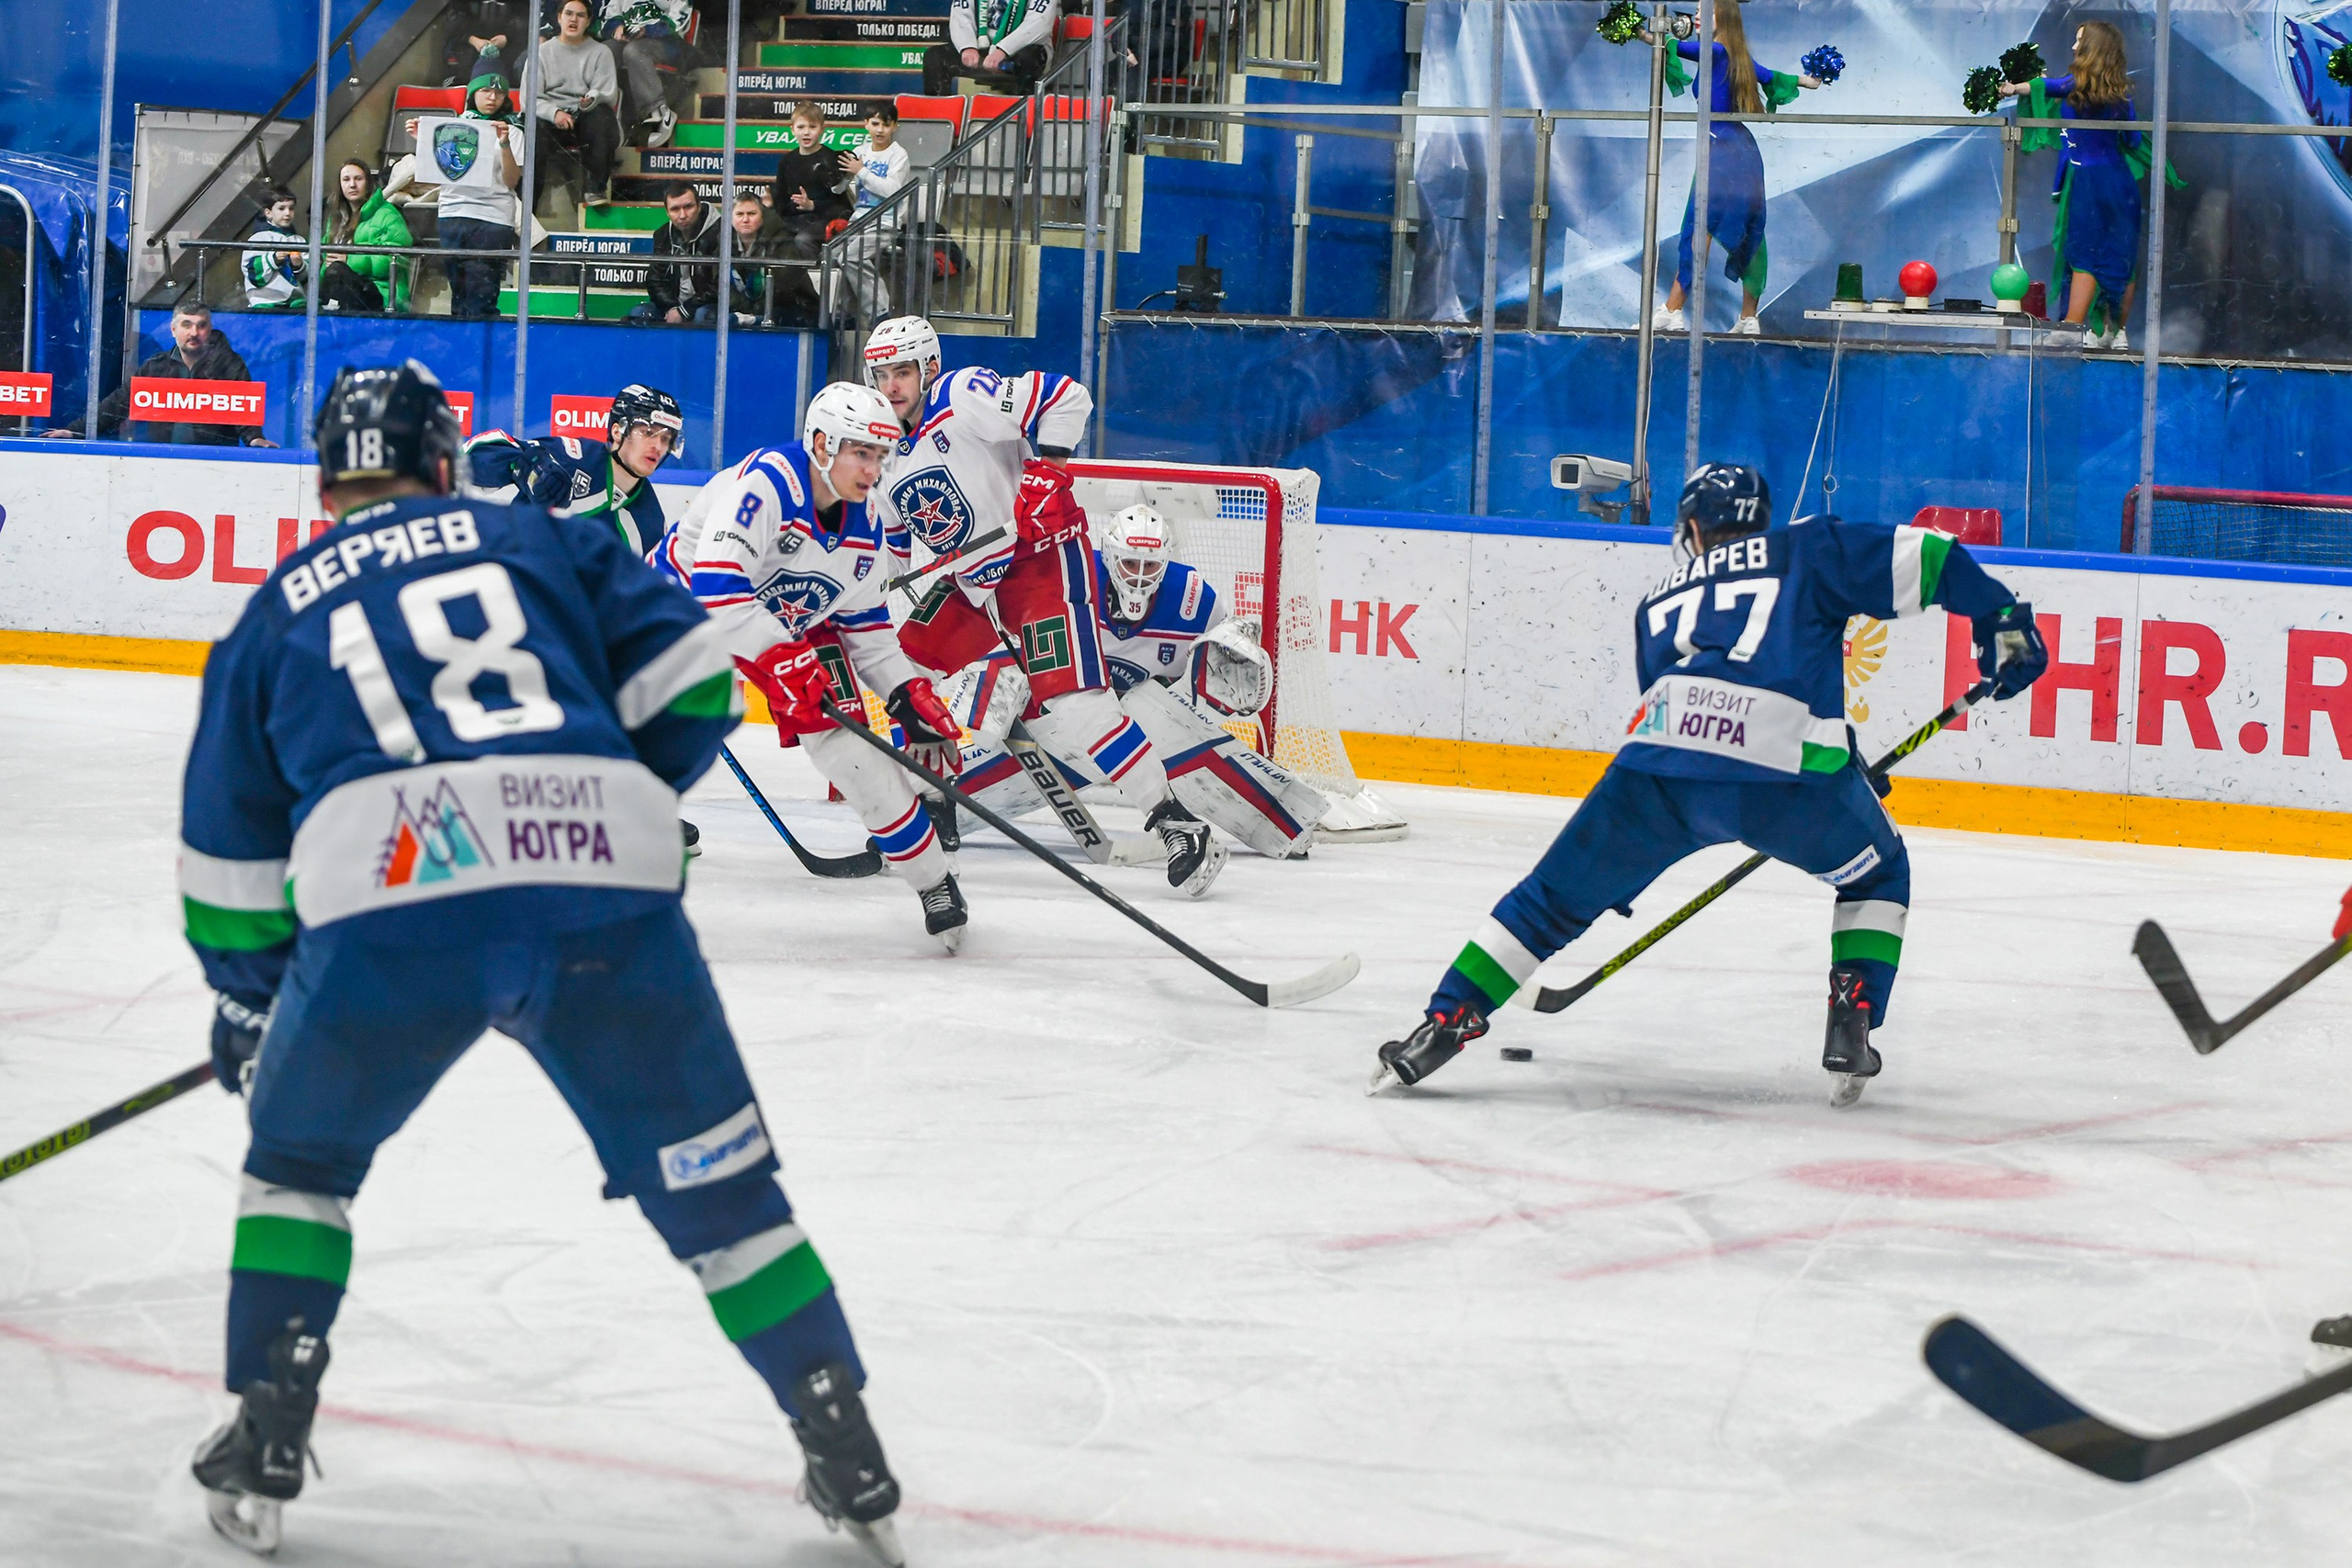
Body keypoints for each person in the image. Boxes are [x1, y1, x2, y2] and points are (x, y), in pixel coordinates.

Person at [178, 361, 905, 1565]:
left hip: (390, 901)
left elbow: (229, 858)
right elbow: (697, 681)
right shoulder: (535, 537)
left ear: (325, 476)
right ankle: (844, 1433)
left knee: (300, 1164)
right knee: (722, 1192)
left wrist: (253, 997)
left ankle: (266, 1417)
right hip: (601, 887)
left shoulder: (276, 607)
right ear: (445, 458)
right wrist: (598, 797)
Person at [1369, 464, 2051, 1102]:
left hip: (1659, 767)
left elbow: (1705, 705)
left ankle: (1443, 1023)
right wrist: (2003, 622)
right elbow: (1935, 556)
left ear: (1693, 528)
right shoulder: (1808, 546)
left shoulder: (1656, 600)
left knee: (1547, 901)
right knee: (1877, 873)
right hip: (1791, 772)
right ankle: (1853, 1017)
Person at [863, 314, 1228, 897]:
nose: (891, 387)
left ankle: (1176, 822)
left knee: (1079, 706)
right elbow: (893, 541)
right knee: (908, 676)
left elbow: (1067, 397)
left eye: (902, 372)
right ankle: (936, 811)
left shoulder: (963, 395)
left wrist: (1047, 472)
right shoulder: (879, 449)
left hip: (1039, 562)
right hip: (971, 582)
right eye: (881, 375)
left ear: (929, 367)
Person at [653, 382, 971, 948]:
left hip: (783, 625)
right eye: (861, 453)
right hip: (675, 611)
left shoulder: (867, 527)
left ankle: (934, 884)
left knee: (852, 757)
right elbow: (719, 591)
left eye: (880, 455)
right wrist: (783, 660)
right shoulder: (767, 485)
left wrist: (907, 692)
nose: (873, 469)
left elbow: (867, 633)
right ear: (822, 443)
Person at [946, 503, 1327, 862]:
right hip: (1057, 720)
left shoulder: (1194, 602)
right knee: (956, 795)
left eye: (1151, 565)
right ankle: (932, 806)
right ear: (1109, 557)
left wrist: (1232, 656)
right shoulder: (1068, 580)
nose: (1140, 575)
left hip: (1131, 737)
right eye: (1130, 563)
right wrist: (992, 674)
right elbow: (1005, 634)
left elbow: (1210, 676)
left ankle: (1286, 820)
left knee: (1149, 707)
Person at [1647, 0, 1821, 337]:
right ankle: (1747, 318)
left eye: (1704, 10)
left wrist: (1642, 31)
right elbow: (1779, 77)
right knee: (1748, 232)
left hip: (1722, 153)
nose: (1697, 16)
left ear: (1722, 15)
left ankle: (1672, 310)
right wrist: (1811, 79)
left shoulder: (1715, 52)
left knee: (1699, 229)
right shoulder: (1735, 55)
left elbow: (1672, 45)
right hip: (1740, 152)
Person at [2000, 22, 2155, 350]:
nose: (2073, 46)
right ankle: (2116, 333)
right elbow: (2133, 138)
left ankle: (2071, 328)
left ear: (2093, 48)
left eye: (2080, 41)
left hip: (2088, 181)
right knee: (2120, 255)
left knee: (2083, 254)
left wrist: (2015, 88)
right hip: (2119, 184)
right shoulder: (2120, 93)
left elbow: (2046, 86)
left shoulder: (2075, 85)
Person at [464, 381, 684, 554]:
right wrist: (525, 468)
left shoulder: (651, 521)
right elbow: (474, 456)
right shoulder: (573, 458)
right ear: (617, 431)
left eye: (666, 438)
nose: (658, 445)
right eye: (648, 432)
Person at [46, 301, 277, 446]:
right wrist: (77, 431)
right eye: (187, 324)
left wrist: (254, 439)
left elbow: (241, 410)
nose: (194, 332)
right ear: (173, 329)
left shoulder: (229, 365)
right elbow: (117, 404)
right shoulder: (156, 367)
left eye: (202, 325)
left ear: (210, 330)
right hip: (161, 463)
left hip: (214, 463)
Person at [405, 75, 526, 320]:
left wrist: (504, 145)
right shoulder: (452, 127)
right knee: (459, 300)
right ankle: (461, 354)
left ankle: (483, 354)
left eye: (499, 93)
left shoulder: (512, 130)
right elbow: (437, 173)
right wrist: (425, 140)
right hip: (453, 214)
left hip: (491, 219)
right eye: (485, 90)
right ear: (472, 94)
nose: (492, 97)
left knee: (481, 300)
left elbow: (512, 181)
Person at [537, 0, 623, 207]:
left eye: (580, 15)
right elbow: (529, 97)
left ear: (588, 21)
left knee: (601, 116)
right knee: (531, 130)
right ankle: (528, 203)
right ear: (559, 18)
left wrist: (592, 99)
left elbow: (607, 92)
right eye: (568, 14)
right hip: (551, 117)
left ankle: (595, 189)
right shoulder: (542, 52)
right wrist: (554, 113)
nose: (574, 19)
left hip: (584, 113)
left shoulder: (601, 52)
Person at [835, 105, 910, 326]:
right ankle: (842, 315)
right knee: (830, 257)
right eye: (875, 124)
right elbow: (840, 189)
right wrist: (837, 178)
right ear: (865, 124)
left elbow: (892, 191)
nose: (880, 130)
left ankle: (881, 314)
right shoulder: (860, 152)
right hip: (858, 221)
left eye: (886, 125)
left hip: (885, 223)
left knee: (849, 256)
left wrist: (861, 171)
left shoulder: (899, 155)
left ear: (895, 126)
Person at [600, 0, 692, 147]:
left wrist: (646, 31)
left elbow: (678, 24)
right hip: (630, 41)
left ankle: (658, 112)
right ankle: (606, 117)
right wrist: (617, 28)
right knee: (602, 52)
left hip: (667, 45)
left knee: (634, 51)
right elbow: (607, 19)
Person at [770, 102, 854, 262]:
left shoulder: (831, 159)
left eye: (812, 127)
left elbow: (840, 205)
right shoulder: (786, 161)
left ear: (822, 129)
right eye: (801, 127)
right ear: (792, 129)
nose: (806, 133)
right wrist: (771, 204)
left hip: (826, 220)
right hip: (795, 220)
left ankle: (814, 279)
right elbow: (781, 202)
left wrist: (812, 205)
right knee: (772, 237)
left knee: (803, 240)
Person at [325, 160, 412, 313]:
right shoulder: (336, 219)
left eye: (358, 179)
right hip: (341, 291)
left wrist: (349, 261)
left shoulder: (388, 214)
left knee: (337, 270)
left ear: (368, 183)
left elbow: (397, 259)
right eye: (346, 179)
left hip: (382, 294)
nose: (352, 185)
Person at [921, 0, 1055, 96]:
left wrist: (1003, 50)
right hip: (982, 47)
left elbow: (1039, 23)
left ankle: (1023, 117)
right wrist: (967, 47)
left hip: (1023, 49)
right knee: (935, 56)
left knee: (1028, 59)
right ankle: (940, 114)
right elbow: (961, 14)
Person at [632, 182, 721, 324]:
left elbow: (720, 286)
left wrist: (684, 310)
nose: (682, 215)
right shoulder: (662, 235)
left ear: (699, 206)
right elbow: (655, 280)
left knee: (703, 315)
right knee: (639, 313)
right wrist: (672, 309)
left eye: (688, 207)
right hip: (673, 305)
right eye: (675, 209)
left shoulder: (721, 232)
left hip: (706, 306)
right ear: (667, 212)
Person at [723, 189, 807, 325]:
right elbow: (720, 282)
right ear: (731, 219)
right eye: (739, 214)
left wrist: (752, 315)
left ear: (762, 217)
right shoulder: (723, 241)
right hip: (743, 309)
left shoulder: (781, 239)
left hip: (792, 308)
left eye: (751, 214)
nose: (745, 220)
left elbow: (783, 288)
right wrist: (743, 311)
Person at [436, 0, 529, 86]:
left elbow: (525, 22)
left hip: (508, 51)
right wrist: (472, 39)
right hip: (467, 50)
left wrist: (507, 38)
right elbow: (453, 23)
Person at [242, 189, 307, 310]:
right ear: (268, 213)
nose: (287, 213)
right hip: (264, 300)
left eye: (291, 208)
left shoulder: (299, 241)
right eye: (281, 208)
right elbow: (251, 270)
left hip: (295, 300)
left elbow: (309, 277)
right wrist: (273, 259)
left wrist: (299, 265)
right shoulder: (258, 238)